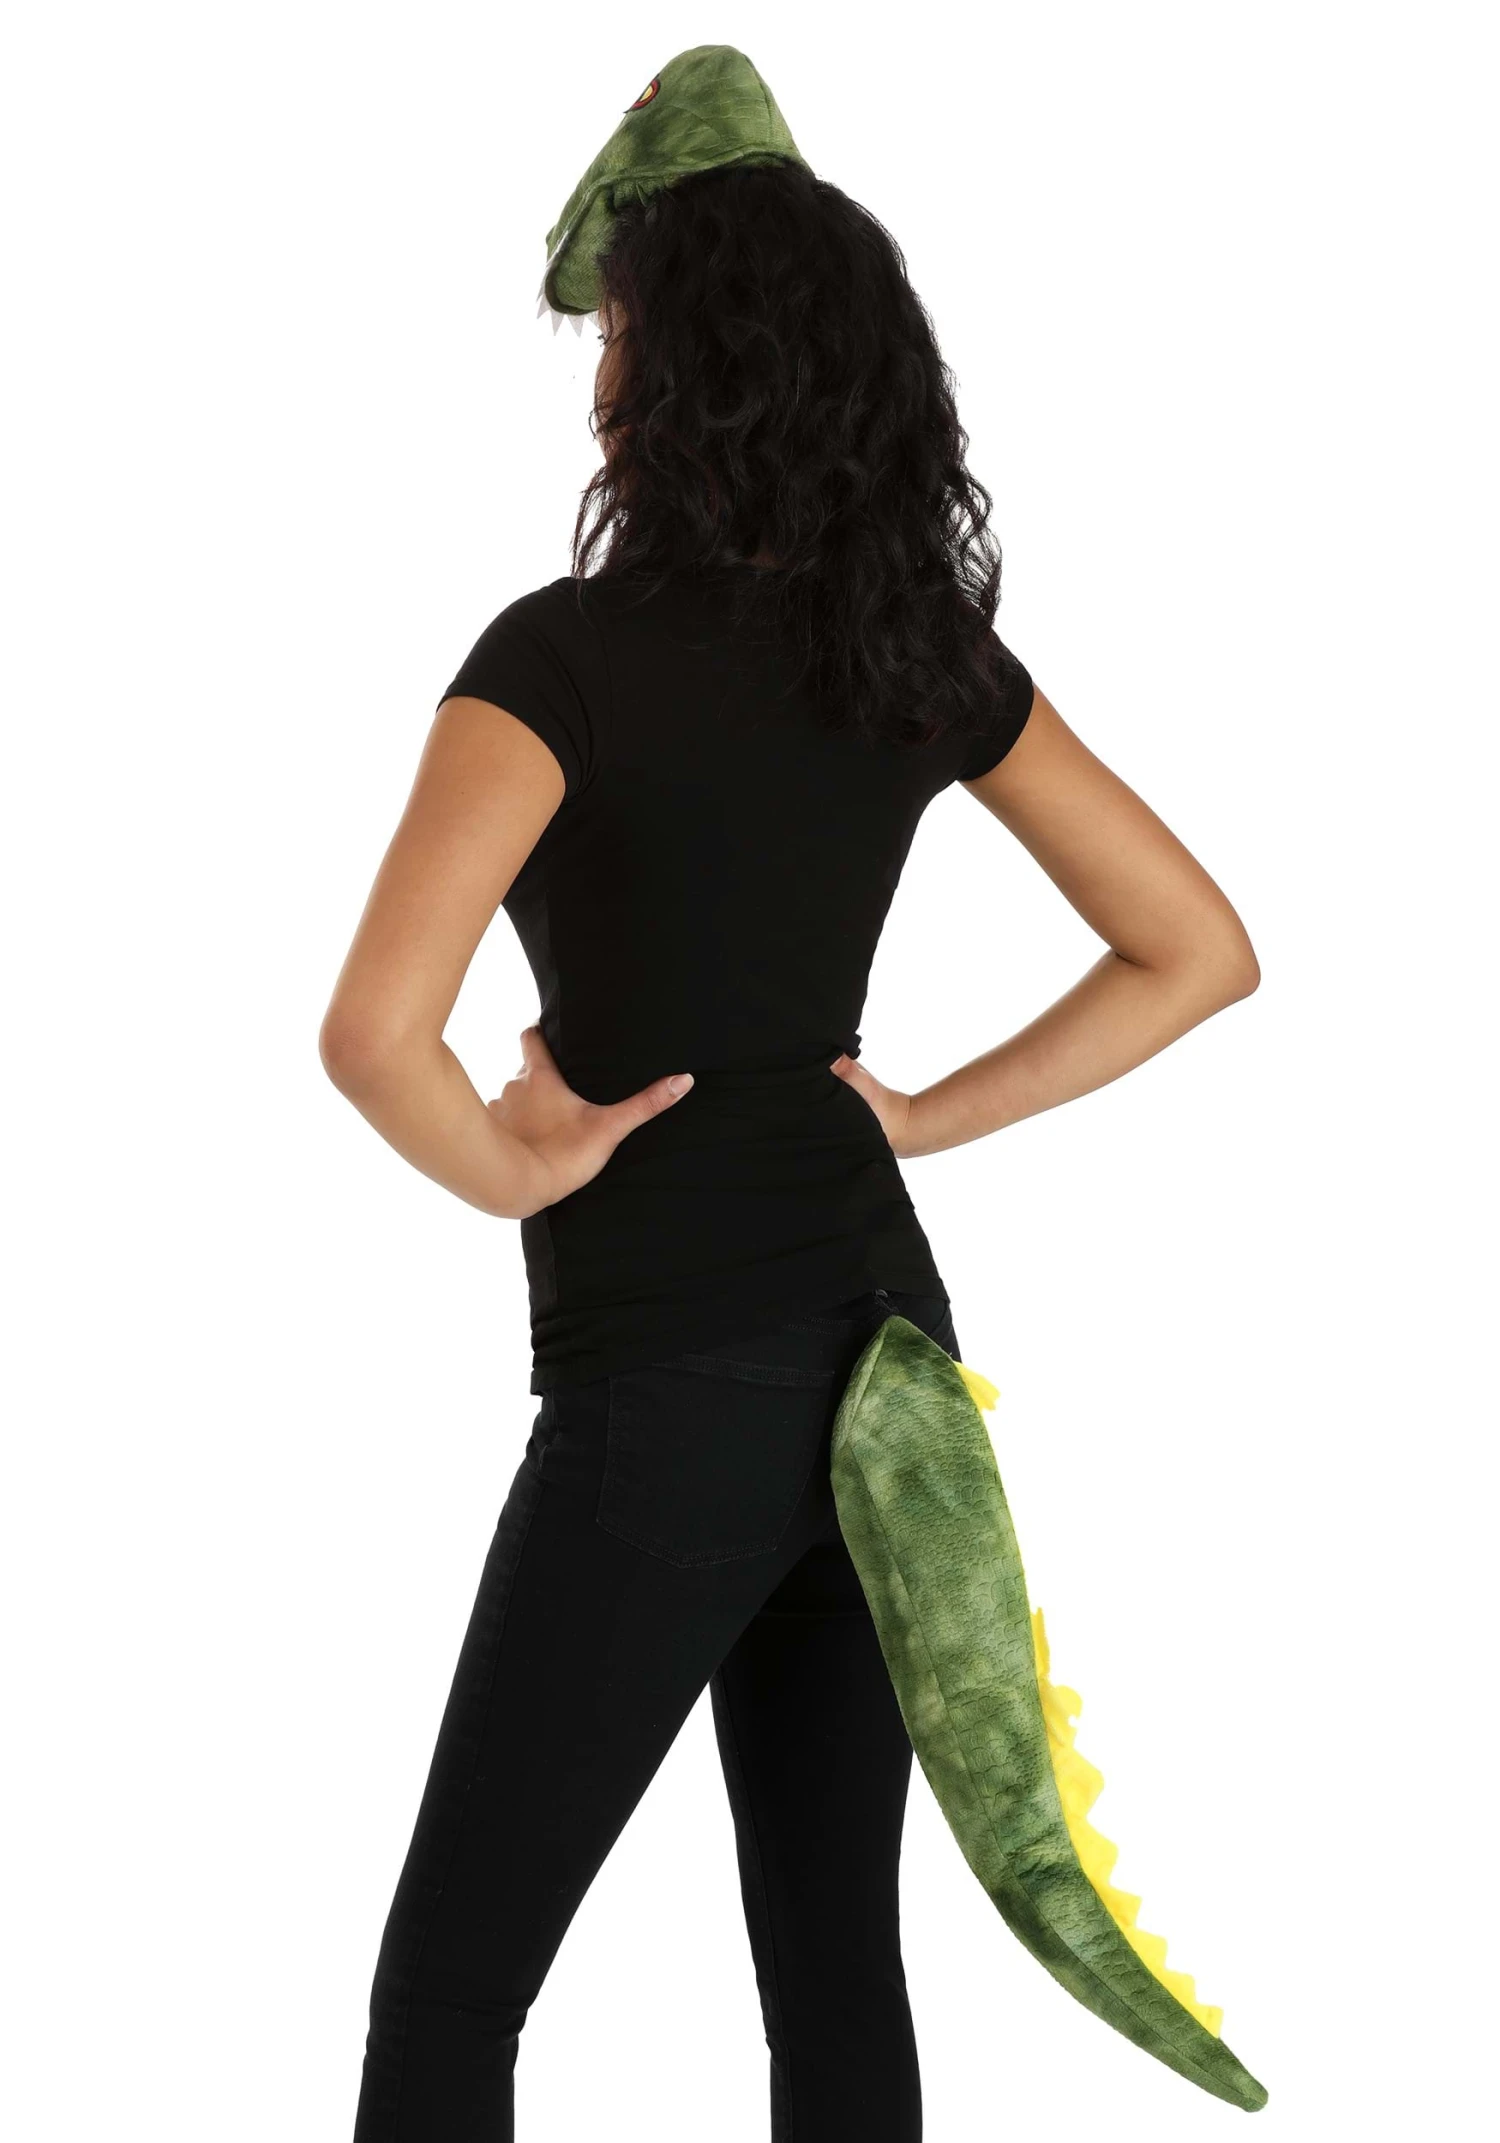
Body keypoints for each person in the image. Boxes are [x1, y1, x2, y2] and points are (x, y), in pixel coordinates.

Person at [320, 159, 1258, 2143]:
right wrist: (911, 1121)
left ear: (680, 373)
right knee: (835, 1974)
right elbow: (1196, 948)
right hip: (886, 1369)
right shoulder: (910, 656)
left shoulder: (558, 663)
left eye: (621, 331)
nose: (601, 370)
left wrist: (519, 1163)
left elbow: (374, 1035)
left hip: (674, 1378)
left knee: (451, 1990)